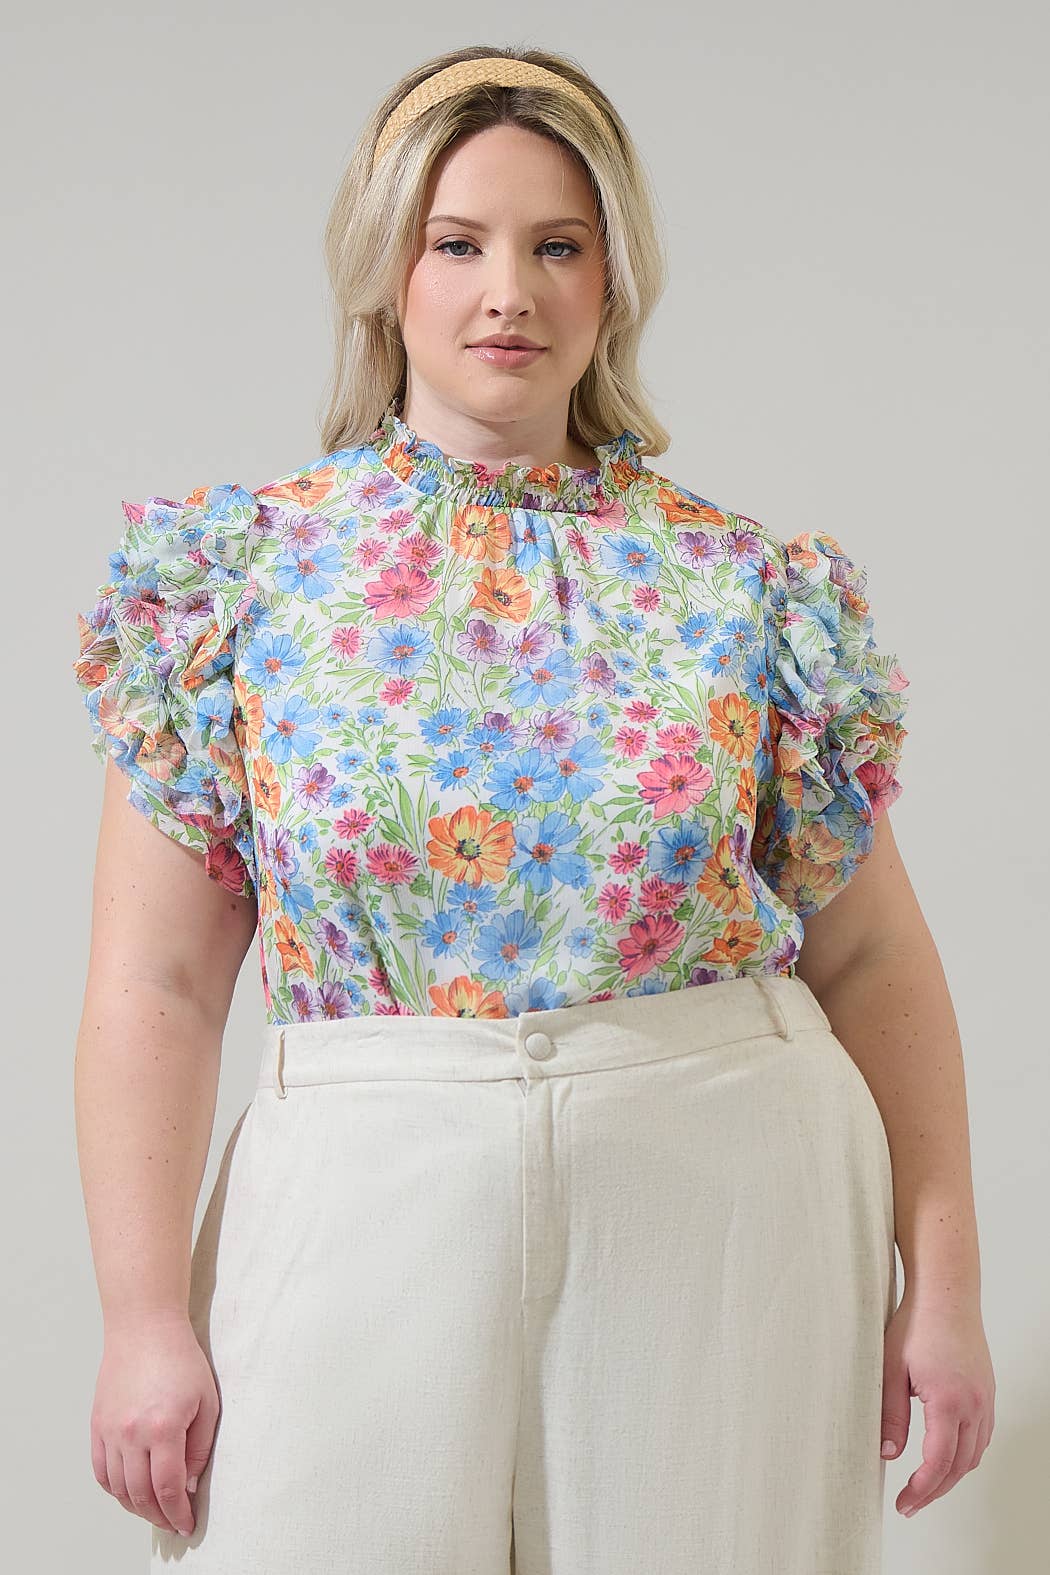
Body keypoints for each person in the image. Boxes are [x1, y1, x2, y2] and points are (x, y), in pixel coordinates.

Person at [71, 45, 994, 1575]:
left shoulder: (745, 589)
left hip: (719, 1183)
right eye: (457, 244)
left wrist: (942, 1289)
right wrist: (141, 1318)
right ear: (385, 271)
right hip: (364, 1173)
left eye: (556, 246)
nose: (508, 293)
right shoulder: (241, 581)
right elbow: (156, 981)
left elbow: (872, 958)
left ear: (613, 278)